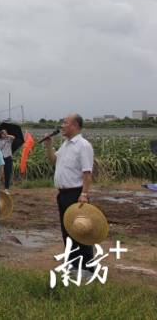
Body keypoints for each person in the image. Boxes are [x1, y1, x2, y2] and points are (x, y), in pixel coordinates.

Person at [44, 113, 95, 273]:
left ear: (74, 126)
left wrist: (84, 194)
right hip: (63, 194)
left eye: (65, 123)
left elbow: (87, 173)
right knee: (67, 230)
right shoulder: (66, 144)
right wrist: (48, 146)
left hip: (76, 194)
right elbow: (54, 161)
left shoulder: (83, 145)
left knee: (81, 230)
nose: (62, 126)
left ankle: (87, 267)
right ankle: (72, 264)